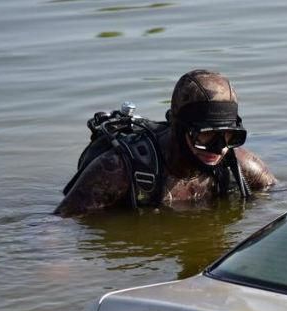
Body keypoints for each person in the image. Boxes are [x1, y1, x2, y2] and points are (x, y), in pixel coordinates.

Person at [55, 69, 275, 217]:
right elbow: (59, 222)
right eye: (206, 136)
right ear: (179, 128)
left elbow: (284, 198)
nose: (219, 149)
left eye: (229, 136)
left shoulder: (238, 165)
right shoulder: (118, 169)